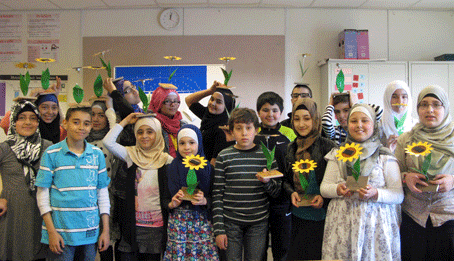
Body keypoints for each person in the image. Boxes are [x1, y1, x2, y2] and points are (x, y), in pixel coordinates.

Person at [320, 103, 404, 261]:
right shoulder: (337, 153)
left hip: (375, 227)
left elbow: (398, 194)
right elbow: (324, 188)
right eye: (354, 121)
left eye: (365, 120)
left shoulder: (385, 156)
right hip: (342, 226)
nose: (359, 125)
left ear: (374, 124)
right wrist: (337, 189)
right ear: (347, 124)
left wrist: (376, 193)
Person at [35, 106, 110, 260]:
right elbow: (42, 194)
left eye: (86, 123)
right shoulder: (51, 153)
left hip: (90, 232)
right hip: (60, 232)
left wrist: (106, 230)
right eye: (76, 122)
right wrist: (51, 232)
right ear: (65, 123)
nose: (81, 127)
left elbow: (102, 193)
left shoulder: (97, 155)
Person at [212, 108, 281, 261]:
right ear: (231, 131)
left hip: (258, 223)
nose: (244, 133)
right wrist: (218, 229)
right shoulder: (224, 157)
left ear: (256, 130)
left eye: (248, 128)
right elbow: (217, 193)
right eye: (238, 128)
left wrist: (267, 182)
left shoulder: (267, 156)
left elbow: (276, 192)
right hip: (230, 223)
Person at [103, 113, 173, 260]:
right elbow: (108, 142)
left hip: (156, 227)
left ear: (158, 134)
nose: (144, 136)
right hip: (132, 225)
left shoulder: (167, 160)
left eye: (150, 132)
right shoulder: (131, 154)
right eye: (140, 132)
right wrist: (126, 121)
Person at [395, 85, 454, 261]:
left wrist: (453, 180)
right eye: (424, 104)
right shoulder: (406, 139)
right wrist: (406, 177)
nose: (430, 110)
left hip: (448, 216)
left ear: (445, 108)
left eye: (436, 104)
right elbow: (392, 173)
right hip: (413, 217)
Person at [283, 98, 336, 260]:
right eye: (297, 119)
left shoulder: (328, 146)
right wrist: (291, 192)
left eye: (307, 118)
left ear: (316, 119)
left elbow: (337, 181)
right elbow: (285, 180)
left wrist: (324, 198)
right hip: (297, 216)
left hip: (323, 216)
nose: (301, 124)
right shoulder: (291, 148)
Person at [0, 100, 52, 261]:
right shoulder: (4, 148)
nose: (27, 122)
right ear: (14, 122)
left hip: (40, 209)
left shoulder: (47, 147)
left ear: (38, 122)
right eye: (22, 118)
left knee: (38, 253)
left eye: (33, 118)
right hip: (12, 211)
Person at [164, 124, 219, 260]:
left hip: (201, 221)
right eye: (182, 143)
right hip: (178, 223)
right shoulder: (171, 168)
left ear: (199, 143)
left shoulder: (208, 169)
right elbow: (164, 199)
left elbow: (216, 197)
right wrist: (172, 204)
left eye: (192, 142)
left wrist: (205, 200)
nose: (187, 147)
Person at [254, 91, 296, 261]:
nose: (270, 114)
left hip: (282, 199)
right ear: (258, 112)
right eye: (265, 110)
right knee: (258, 248)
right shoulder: (251, 132)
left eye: (274, 110)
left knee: (283, 246)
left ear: (281, 112)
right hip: (258, 198)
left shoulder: (289, 134)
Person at [87, 97, 119, 261]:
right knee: (87, 243)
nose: (96, 119)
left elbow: (115, 127)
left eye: (101, 115)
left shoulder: (109, 140)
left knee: (105, 243)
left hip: (106, 196)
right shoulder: (81, 139)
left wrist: (110, 107)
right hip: (85, 199)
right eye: (92, 114)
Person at [0, 77, 67, 143]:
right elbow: (7, 122)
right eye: (44, 107)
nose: (50, 112)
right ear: (36, 109)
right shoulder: (26, 127)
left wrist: (55, 96)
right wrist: (29, 101)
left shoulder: (59, 131)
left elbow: (65, 123)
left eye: (54, 107)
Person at [185, 81, 236, 165]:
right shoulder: (208, 115)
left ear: (227, 107)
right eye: (212, 99)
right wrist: (210, 91)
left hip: (208, 172)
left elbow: (215, 163)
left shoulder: (224, 129)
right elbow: (189, 100)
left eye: (219, 102)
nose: (212, 103)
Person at [148, 85, 186, 158]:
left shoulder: (183, 125)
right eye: (167, 101)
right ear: (158, 103)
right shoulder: (152, 125)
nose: (173, 105)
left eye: (175, 101)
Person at [381, 80, 416, 152]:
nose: (400, 101)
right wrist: (387, 148)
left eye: (404, 97)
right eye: (394, 97)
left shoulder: (415, 125)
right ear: (387, 99)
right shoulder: (379, 125)